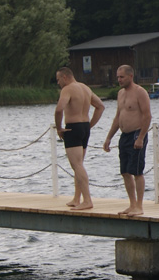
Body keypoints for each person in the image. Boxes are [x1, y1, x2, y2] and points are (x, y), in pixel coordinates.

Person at [102, 64, 152, 216]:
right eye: (118, 77)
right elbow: (118, 117)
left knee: (136, 171)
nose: (119, 80)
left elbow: (147, 116)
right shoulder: (120, 93)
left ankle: (139, 206)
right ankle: (132, 204)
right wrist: (109, 137)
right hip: (124, 135)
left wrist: (141, 137)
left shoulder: (140, 92)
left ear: (131, 76)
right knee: (124, 171)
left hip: (137, 133)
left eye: (122, 77)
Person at [54, 66, 104, 210]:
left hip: (73, 128)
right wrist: (89, 125)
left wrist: (59, 128)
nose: (58, 83)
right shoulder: (85, 88)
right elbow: (100, 106)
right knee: (79, 164)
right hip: (84, 127)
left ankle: (87, 200)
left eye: (58, 79)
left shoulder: (67, 89)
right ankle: (77, 198)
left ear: (64, 77)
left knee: (77, 165)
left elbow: (59, 109)